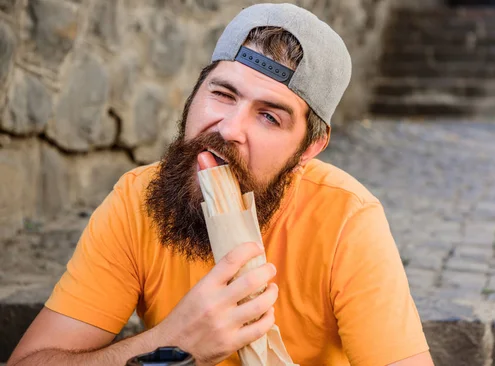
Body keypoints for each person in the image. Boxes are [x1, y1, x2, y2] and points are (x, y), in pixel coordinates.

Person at [8, 3, 433, 366]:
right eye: (223, 94)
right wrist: (168, 345)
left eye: (269, 116)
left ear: (309, 147)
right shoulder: (136, 200)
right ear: (194, 94)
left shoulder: (346, 220)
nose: (229, 128)